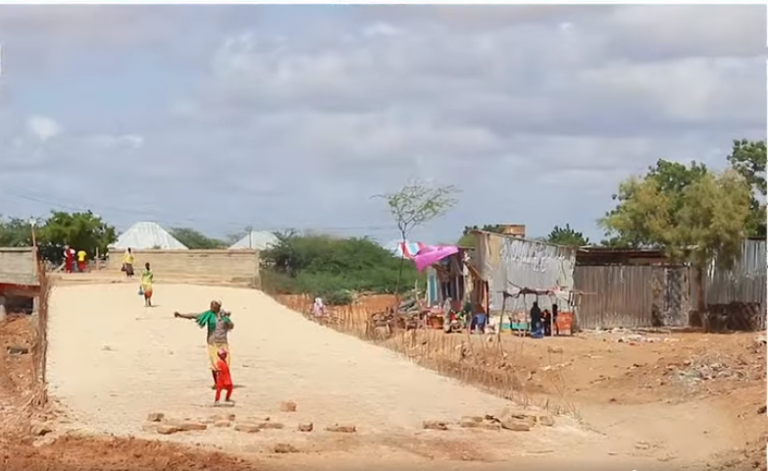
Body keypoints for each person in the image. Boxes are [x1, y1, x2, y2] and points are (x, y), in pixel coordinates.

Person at [174, 301, 234, 388]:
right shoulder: (208, 315)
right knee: (215, 364)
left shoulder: (224, 316)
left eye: (214, 305)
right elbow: (193, 315)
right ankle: (217, 383)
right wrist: (181, 315)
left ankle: (224, 381)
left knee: (225, 363)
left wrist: (226, 319)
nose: (212, 306)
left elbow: (231, 326)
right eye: (211, 305)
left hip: (223, 342)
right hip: (212, 342)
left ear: (219, 306)